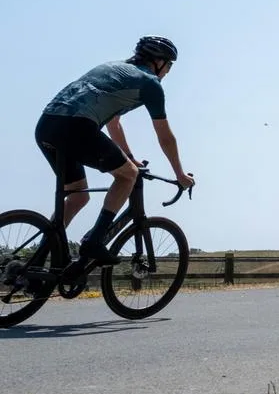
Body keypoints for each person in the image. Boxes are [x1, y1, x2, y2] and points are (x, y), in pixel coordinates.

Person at [34, 36, 195, 265]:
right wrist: (179, 174)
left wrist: (129, 157)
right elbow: (165, 137)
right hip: (76, 127)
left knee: (78, 196)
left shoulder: (113, 68)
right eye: (169, 65)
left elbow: (114, 123)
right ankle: (94, 241)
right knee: (127, 175)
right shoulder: (150, 83)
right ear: (158, 61)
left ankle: (37, 266)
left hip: (46, 126)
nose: (169, 71)